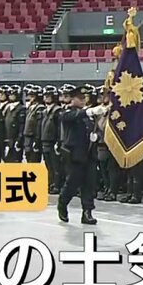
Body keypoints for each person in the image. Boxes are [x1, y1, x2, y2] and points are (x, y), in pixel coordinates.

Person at [58, 85, 98, 225]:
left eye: (84, 98)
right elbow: (72, 117)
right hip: (75, 155)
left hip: (89, 154)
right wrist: (89, 111)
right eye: (79, 98)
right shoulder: (67, 112)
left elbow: (94, 128)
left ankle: (87, 212)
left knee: (89, 184)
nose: (82, 101)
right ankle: (62, 203)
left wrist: (96, 136)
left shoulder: (87, 115)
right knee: (72, 184)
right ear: (72, 99)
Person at [38, 86, 61, 193]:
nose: (46, 98)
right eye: (45, 96)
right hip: (45, 141)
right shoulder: (44, 111)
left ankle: (56, 185)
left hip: (53, 141)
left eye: (48, 96)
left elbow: (59, 128)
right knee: (48, 165)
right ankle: (50, 183)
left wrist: (58, 142)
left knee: (55, 165)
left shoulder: (57, 110)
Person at [23, 85, 44, 172]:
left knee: (34, 162)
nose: (29, 98)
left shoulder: (40, 108)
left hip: (34, 138)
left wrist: (37, 141)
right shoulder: (30, 108)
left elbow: (38, 126)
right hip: (28, 138)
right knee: (29, 161)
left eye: (32, 96)